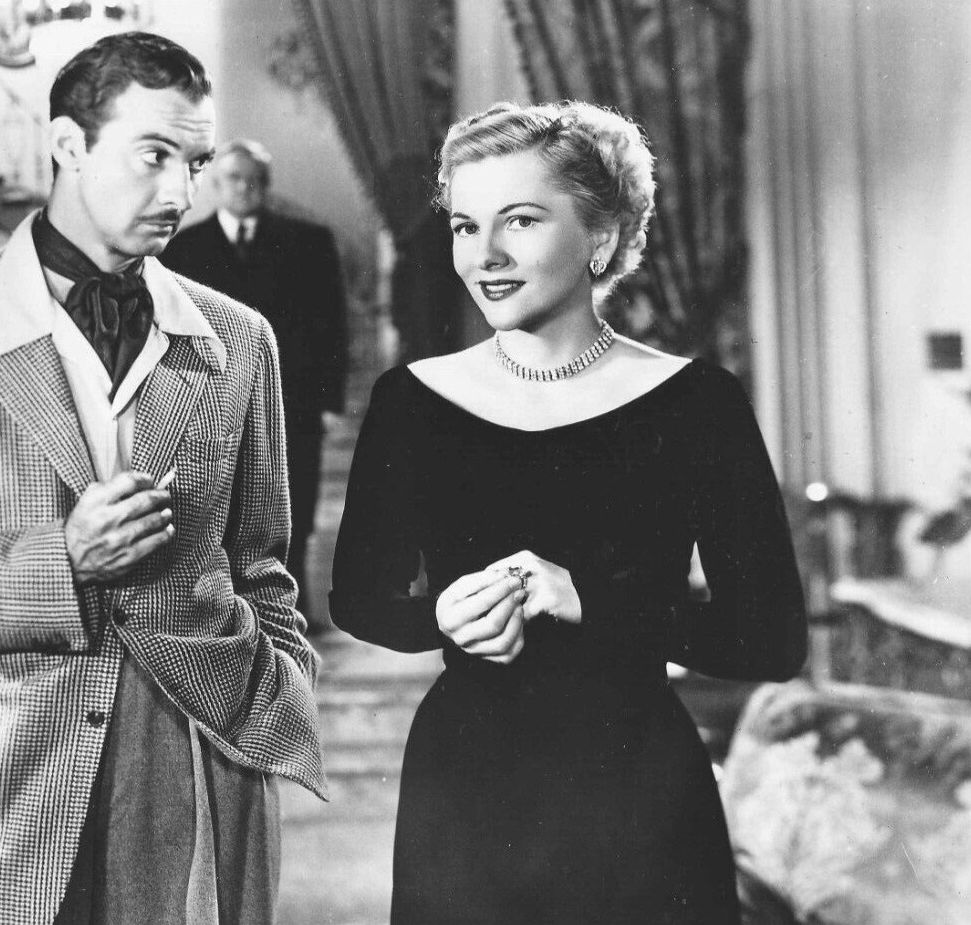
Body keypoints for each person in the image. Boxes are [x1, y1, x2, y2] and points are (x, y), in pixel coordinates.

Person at [0, 32, 324, 925]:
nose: (181, 193)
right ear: (67, 145)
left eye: (195, 163)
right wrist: (63, 561)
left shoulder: (241, 337)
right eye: (153, 155)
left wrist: (278, 687)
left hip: (203, 752)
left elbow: (263, 566)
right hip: (8, 770)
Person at [330, 100, 808, 925]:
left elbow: (771, 636)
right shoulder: (409, 400)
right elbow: (357, 600)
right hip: (464, 790)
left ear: (602, 239)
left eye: (520, 220)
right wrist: (438, 615)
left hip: (640, 793)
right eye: (465, 225)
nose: (484, 255)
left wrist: (588, 600)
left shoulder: (697, 402)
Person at [162, 140, 347, 623]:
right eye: (233, 178)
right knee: (216, 503)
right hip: (212, 400)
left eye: (254, 179)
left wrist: (328, 401)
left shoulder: (308, 242)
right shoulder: (183, 248)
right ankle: (226, 612)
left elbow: (331, 325)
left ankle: (291, 604)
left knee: (293, 499)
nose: (244, 188)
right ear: (214, 184)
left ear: (266, 185)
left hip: (293, 400)